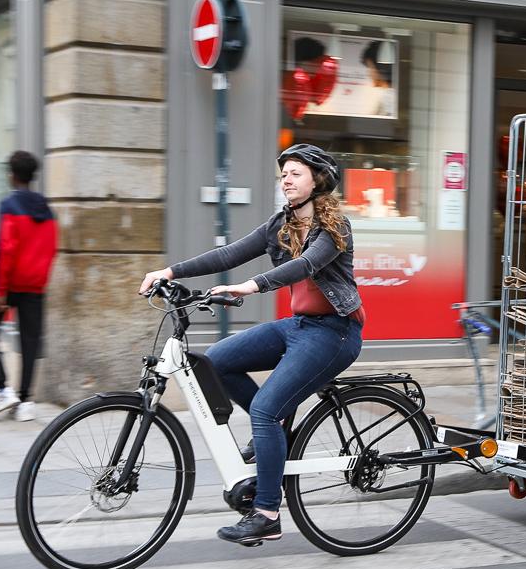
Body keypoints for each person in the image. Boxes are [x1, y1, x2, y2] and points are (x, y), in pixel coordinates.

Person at [140, 144, 366, 545]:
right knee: (218, 360)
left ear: (318, 180)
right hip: (299, 325)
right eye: (283, 174)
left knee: (263, 409)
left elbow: (306, 265)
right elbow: (229, 254)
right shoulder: (280, 224)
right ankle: (274, 428)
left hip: (335, 332)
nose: (286, 179)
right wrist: (170, 270)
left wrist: (250, 286)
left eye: (295, 173)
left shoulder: (336, 228)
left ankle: (266, 512)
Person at [0, 150, 58, 423]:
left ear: (11, 175)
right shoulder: (47, 209)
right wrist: (40, 278)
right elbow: (51, 248)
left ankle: (1, 388)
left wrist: (1, 290)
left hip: (10, 280)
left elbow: (6, 249)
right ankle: (25, 401)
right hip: (35, 284)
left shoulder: (9, 205)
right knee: (30, 340)